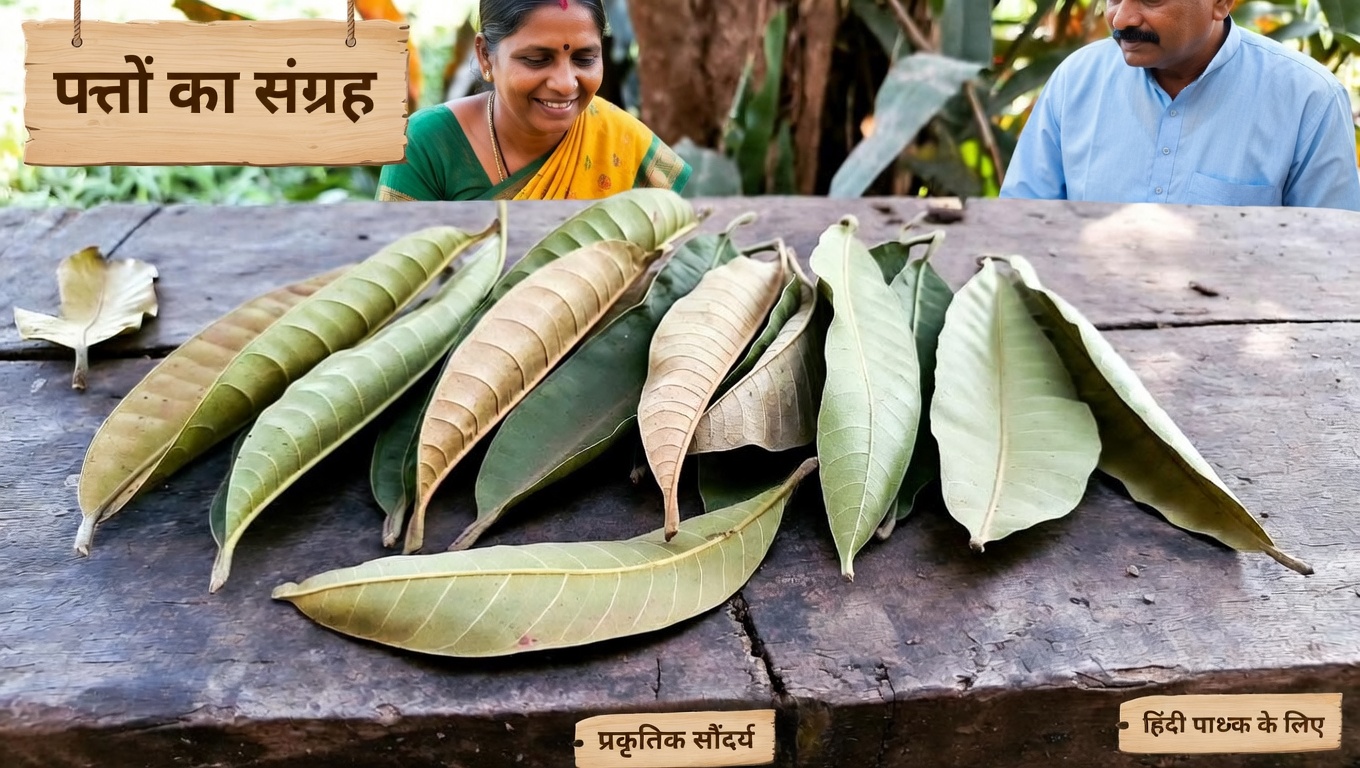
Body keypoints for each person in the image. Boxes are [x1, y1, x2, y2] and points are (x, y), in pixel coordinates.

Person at [1000, 0, 1360, 211]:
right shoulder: (1076, 80)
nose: (1122, 19)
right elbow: (1021, 226)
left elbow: (1327, 258)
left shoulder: (1308, 100)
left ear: (1220, 3)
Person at [377, 0, 691, 201]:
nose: (565, 84)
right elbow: (397, 269)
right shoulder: (428, 143)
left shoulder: (622, 139)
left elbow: (676, 252)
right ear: (485, 55)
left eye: (584, 59)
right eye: (537, 60)